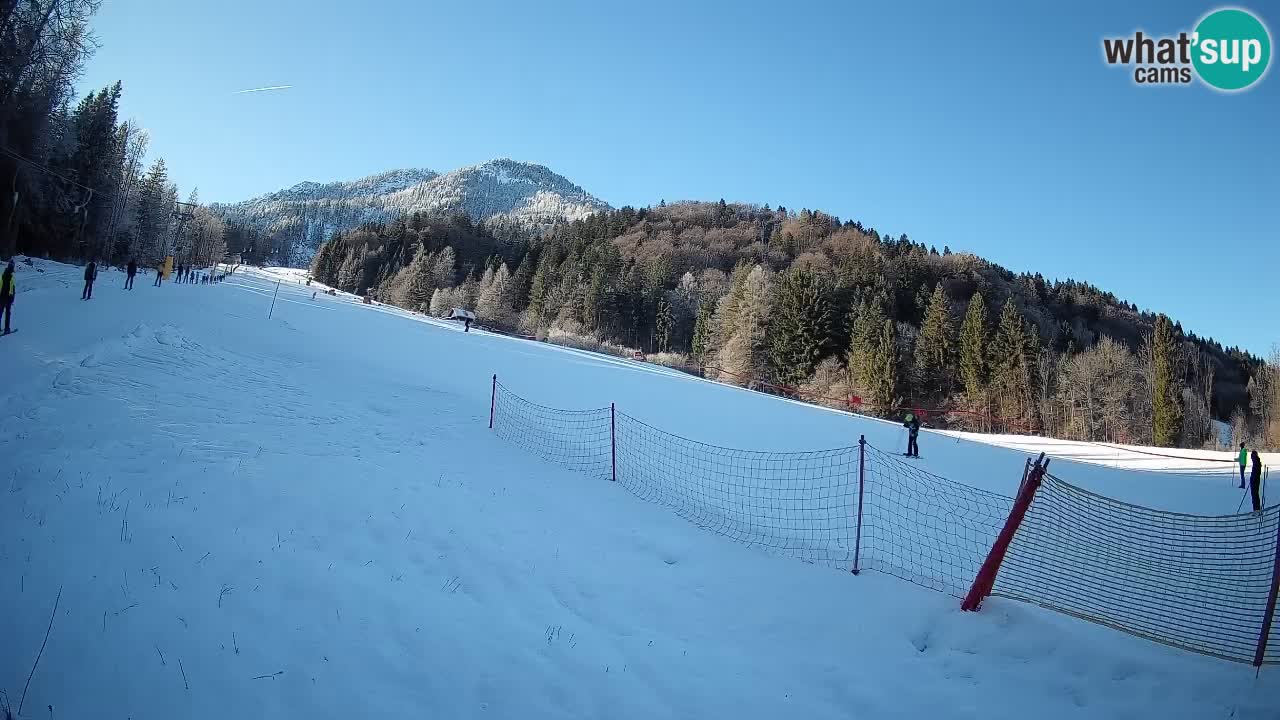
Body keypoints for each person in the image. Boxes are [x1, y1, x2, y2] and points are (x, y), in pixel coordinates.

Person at [1, 259, 15, 334]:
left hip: (1, 297)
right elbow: (12, 289)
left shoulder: (3, 274)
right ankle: (7, 329)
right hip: (8, 298)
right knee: (7, 313)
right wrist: (12, 298)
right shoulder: (10, 276)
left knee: (0, 312)